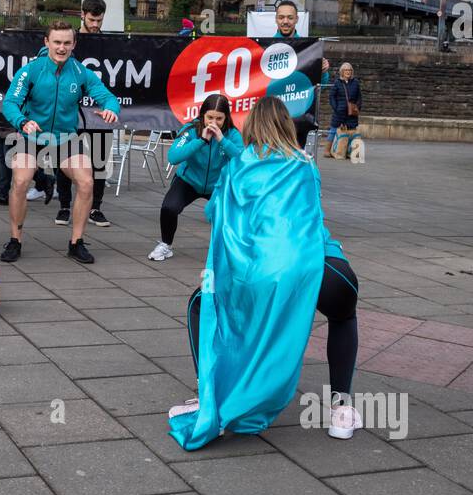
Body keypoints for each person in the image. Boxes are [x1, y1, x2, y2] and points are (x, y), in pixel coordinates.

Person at [166, 96, 330, 451]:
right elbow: (314, 216)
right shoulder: (305, 163)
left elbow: (215, 215)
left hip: (253, 269)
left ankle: (210, 389)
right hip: (302, 267)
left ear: (252, 126)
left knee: (208, 308)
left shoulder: (241, 163)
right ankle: (338, 402)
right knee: (281, 327)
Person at [0, 20, 120, 264]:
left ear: (74, 44)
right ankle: (15, 240)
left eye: (67, 43)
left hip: (65, 138)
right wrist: (23, 122)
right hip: (31, 136)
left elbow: (106, 96)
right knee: (21, 180)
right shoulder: (31, 70)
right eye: (57, 42)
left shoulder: (80, 72)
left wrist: (110, 108)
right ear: (47, 42)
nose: (62, 48)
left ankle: (76, 243)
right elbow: (9, 103)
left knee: (87, 181)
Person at [149, 93, 243, 262]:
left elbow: (242, 159)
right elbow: (173, 157)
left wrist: (222, 140)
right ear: (202, 115)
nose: (214, 123)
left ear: (226, 117)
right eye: (210, 117)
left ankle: (229, 251)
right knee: (169, 208)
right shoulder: (190, 129)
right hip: (189, 181)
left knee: (228, 215)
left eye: (219, 119)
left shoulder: (232, 133)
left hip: (217, 185)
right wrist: (201, 140)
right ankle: (165, 244)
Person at [54, 0, 115, 229]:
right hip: (72, 111)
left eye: (99, 20)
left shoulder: (108, 42)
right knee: (65, 159)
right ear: (82, 15)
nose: (96, 25)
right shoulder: (69, 41)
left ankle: (95, 208)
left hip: (98, 111)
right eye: (92, 20)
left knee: (99, 161)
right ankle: (64, 205)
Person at [327, 61, 361, 156]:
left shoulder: (355, 83)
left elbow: (359, 97)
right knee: (334, 130)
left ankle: (346, 151)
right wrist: (336, 108)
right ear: (342, 71)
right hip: (339, 112)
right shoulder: (337, 83)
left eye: (349, 70)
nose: (348, 72)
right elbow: (332, 97)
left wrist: (357, 107)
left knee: (351, 132)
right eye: (346, 70)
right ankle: (327, 150)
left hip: (351, 113)